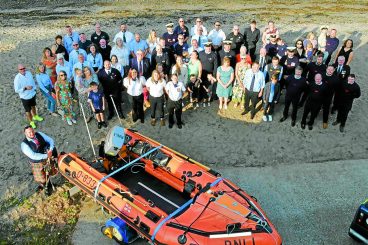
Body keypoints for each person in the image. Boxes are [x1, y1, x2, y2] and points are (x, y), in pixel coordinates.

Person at [21, 126, 57, 195]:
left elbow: (50, 140)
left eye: (32, 131)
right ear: (25, 133)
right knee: (41, 178)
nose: (32, 133)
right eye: (29, 132)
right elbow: (33, 155)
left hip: (47, 157)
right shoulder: (24, 145)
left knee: (49, 172)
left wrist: (50, 150)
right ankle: (45, 187)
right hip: (37, 163)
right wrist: (47, 155)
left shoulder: (39, 134)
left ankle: (50, 184)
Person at [14, 64, 44, 129]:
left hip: (32, 94)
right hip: (25, 97)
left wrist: (34, 89)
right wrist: (25, 88)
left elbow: (32, 82)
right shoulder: (17, 78)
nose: (23, 70)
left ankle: (35, 116)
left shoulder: (28, 73)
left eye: (23, 68)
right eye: (21, 69)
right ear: (18, 70)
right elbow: (16, 90)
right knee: (28, 111)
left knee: (33, 106)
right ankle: (31, 122)